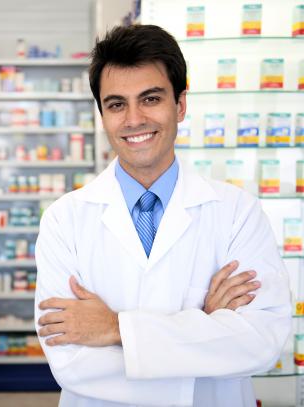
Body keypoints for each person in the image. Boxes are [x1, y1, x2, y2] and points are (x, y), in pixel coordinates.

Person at [34, 25, 291, 407]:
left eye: (150, 98)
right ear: (102, 115)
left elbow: (261, 340)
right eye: (117, 104)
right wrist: (204, 327)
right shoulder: (64, 220)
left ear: (180, 104)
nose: (134, 119)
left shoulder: (237, 212)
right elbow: (71, 362)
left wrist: (116, 329)